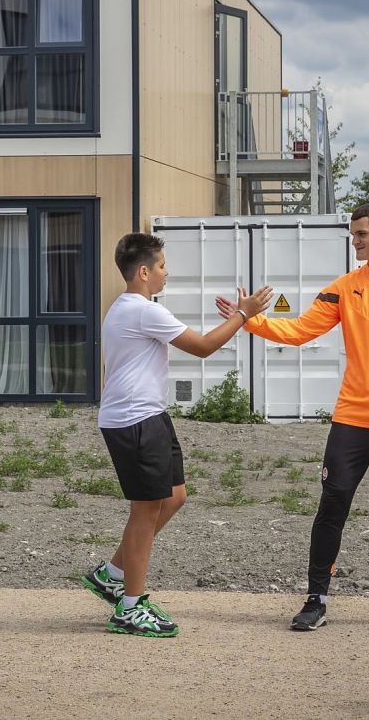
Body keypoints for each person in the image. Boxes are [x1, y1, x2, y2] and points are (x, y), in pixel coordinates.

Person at [216, 201, 369, 631]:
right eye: (353, 233)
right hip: (354, 417)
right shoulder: (346, 287)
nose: (355, 240)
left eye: (362, 233)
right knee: (332, 505)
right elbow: (301, 329)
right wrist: (252, 321)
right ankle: (316, 600)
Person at [80, 233, 273, 637]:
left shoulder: (131, 308)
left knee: (174, 497)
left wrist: (238, 315)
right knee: (145, 510)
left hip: (149, 416)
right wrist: (245, 314)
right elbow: (202, 347)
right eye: (163, 266)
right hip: (134, 421)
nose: (168, 272)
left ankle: (112, 574)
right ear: (145, 271)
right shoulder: (140, 310)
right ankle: (130, 607)